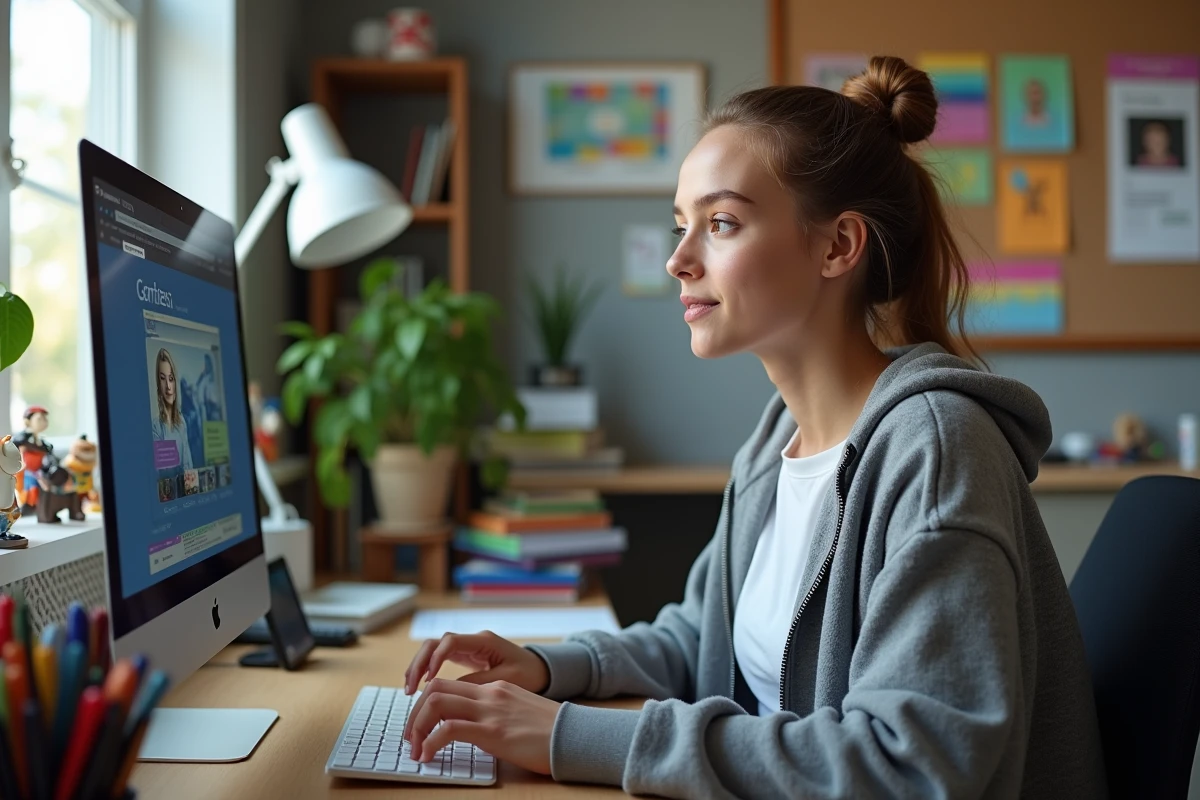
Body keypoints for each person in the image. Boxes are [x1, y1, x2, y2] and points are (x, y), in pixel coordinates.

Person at [400, 56, 1107, 798]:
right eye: (682, 226)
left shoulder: (933, 452)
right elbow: (699, 640)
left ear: (838, 246)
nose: (678, 260)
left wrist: (566, 736)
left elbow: (912, 766)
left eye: (721, 223)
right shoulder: (777, 444)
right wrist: (548, 668)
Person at [151, 348, 194, 474]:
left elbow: (189, 467)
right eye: (163, 378)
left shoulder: (182, 423)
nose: (168, 387)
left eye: (171, 378)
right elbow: (163, 475)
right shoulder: (156, 427)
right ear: (158, 383)